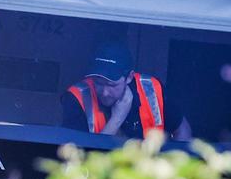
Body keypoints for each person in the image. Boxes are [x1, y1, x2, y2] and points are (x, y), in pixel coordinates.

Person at [61, 41, 191, 140]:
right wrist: (117, 118)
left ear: (129, 77)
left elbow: (181, 127)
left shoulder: (151, 88)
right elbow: (81, 161)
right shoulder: (76, 97)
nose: (105, 92)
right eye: (98, 83)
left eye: (112, 85)